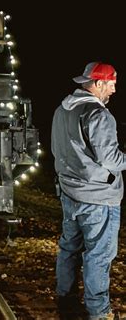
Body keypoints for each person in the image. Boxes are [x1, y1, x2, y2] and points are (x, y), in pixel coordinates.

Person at [51, 62, 126, 320]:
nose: (114, 90)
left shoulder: (62, 111)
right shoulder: (99, 115)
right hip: (99, 198)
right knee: (99, 254)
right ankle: (98, 311)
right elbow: (111, 160)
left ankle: (65, 299)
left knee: (69, 248)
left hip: (70, 194)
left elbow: (57, 152)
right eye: (112, 84)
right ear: (97, 83)